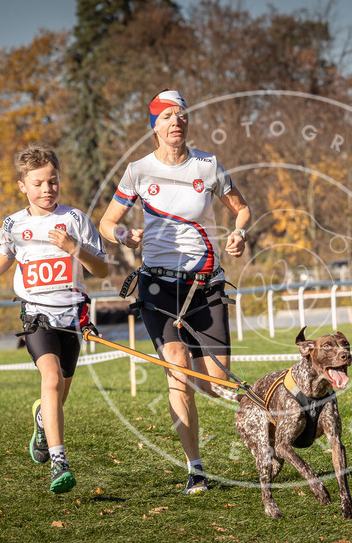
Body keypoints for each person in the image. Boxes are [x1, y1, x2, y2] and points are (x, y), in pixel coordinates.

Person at [100, 89, 250, 495]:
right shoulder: (138, 171)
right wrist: (123, 234)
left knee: (215, 381)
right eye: (166, 117)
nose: (175, 122)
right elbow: (106, 223)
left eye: (180, 116)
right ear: (155, 127)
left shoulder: (208, 164)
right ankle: (196, 468)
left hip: (206, 284)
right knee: (177, 366)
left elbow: (241, 207)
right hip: (158, 285)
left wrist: (238, 233)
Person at [0, 144, 109, 494]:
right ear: (22, 185)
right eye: (38, 183)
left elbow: (102, 269)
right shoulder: (13, 224)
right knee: (50, 379)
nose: (47, 189)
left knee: (60, 390)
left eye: (52, 181)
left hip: (72, 320)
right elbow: (5, 253)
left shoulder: (75, 220)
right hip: (36, 316)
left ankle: (42, 420)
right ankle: (59, 462)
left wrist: (74, 249)